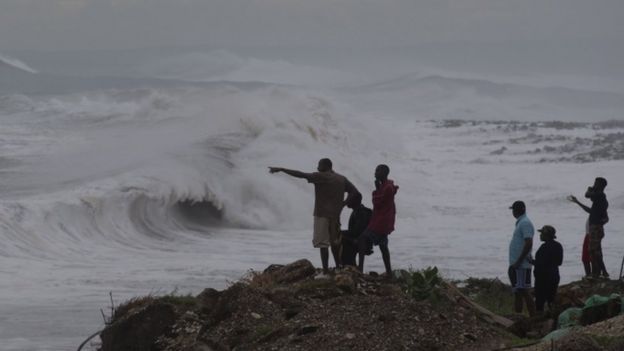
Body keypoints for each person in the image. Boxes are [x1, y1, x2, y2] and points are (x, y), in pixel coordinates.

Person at [269, 159, 359, 276]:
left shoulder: (320, 176)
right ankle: (338, 267)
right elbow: (355, 192)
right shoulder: (341, 179)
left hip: (322, 214)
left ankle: (326, 271)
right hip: (335, 215)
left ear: (325, 166)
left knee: (323, 244)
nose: (317, 167)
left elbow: (301, 174)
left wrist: (282, 169)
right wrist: (343, 203)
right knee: (335, 243)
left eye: (319, 165)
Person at [358, 164, 398, 277]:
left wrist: (376, 189)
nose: (375, 173)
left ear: (384, 173)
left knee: (362, 239)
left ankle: (360, 270)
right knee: (383, 246)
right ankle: (389, 272)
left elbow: (379, 203)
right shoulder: (386, 186)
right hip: (384, 220)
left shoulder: (388, 188)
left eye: (377, 171)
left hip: (382, 221)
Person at [568, 177, 609, 279]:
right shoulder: (599, 200)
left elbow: (587, 195)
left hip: (595, 228)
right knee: (594, 251)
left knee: (594, 250)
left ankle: (603, 272)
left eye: (596, 183)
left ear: (601, 186)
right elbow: (591, 210)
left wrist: (590, 189)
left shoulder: (601, 196)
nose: (594, 185)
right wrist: (577, 202)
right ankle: (597, 273)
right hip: (594, 227)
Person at [508, 200, 537, 316]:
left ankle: (533, 317)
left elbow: (528, 242)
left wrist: (519, 261)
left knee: (524, 291)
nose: (513, 212)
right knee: (518, 292)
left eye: (514, 210)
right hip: (516, 264)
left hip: (521, 265)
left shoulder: (525, 223)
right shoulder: (521, 223)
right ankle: (518, 316)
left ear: (518, 210)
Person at [530, 225, 563, 313]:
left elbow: (540, 263)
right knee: (551, 300)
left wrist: (531, 261)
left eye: (542, 234)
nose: (540, 235)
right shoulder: (558, 246)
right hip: (554, 276)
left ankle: (539, 320)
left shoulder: (544, 248)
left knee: (540, 301)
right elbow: (559, 262)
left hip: (543, 278)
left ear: (546, 235)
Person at [341, 192, 372, 267]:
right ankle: (348, 265)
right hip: (358, 239)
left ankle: (349, 266)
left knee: (338, 237)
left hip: (361, 241)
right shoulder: (357, 211)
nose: (347, 200)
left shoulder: (361, 212)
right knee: (337, 236)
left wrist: (340, 232)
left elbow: (356, 232)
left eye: (349, 199)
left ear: (355, 201)